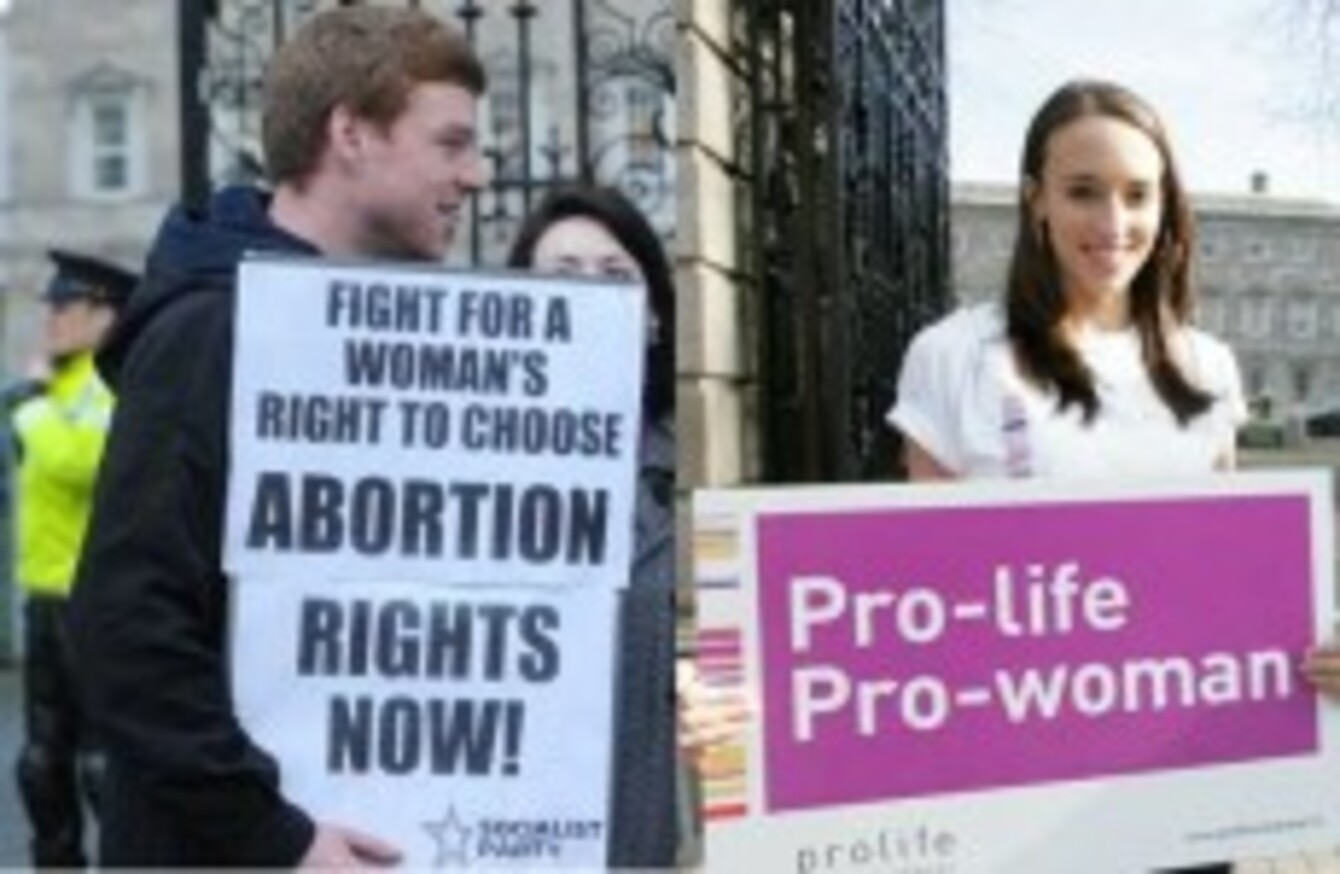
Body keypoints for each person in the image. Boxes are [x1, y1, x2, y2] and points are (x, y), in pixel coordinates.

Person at [68, 6, 487, 866]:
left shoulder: (381, 331)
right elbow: (124, 629)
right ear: (350, 134)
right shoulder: (210, 332)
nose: (476, 174)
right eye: (450, 143)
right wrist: (276, 838)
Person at [888, 78, 1338, 874]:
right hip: (1016, 785)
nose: (1113, 224)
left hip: (1180, 784)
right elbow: (920, 601)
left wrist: (1321, 651)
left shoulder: (1207, 368)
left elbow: (1232, 590)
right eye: (1083, 192)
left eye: (1138, 194)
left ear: (1166, 206)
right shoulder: (953, 355)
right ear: (1036, 201)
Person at [505, 183, 677, 867]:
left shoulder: (688, 465)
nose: (592, 295)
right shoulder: (462, 471)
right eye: (563, 275)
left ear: (655, 316)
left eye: (615, 275)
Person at [11, 249, 137, 868]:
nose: (52, 319)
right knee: (41, 764)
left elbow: (83, 463)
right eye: (51, 306)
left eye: (66, 306)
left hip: (92, 601)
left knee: (100, 765)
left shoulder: (109, 383)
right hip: (44, 594)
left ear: (103, 314)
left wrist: (31, 408)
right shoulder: (56, 385)